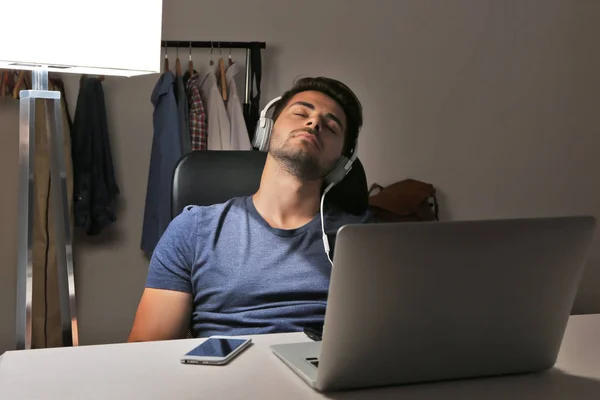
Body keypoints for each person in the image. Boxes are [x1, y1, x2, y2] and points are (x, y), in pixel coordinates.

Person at [128, 76, 374, 342]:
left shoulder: (366, 240)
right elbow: (147, 349)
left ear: (343, 162)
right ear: (266, 129)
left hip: (322, 375)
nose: (314, 123)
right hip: (227, 376)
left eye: (331, 126)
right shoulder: (193, 229)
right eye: (301, 113)